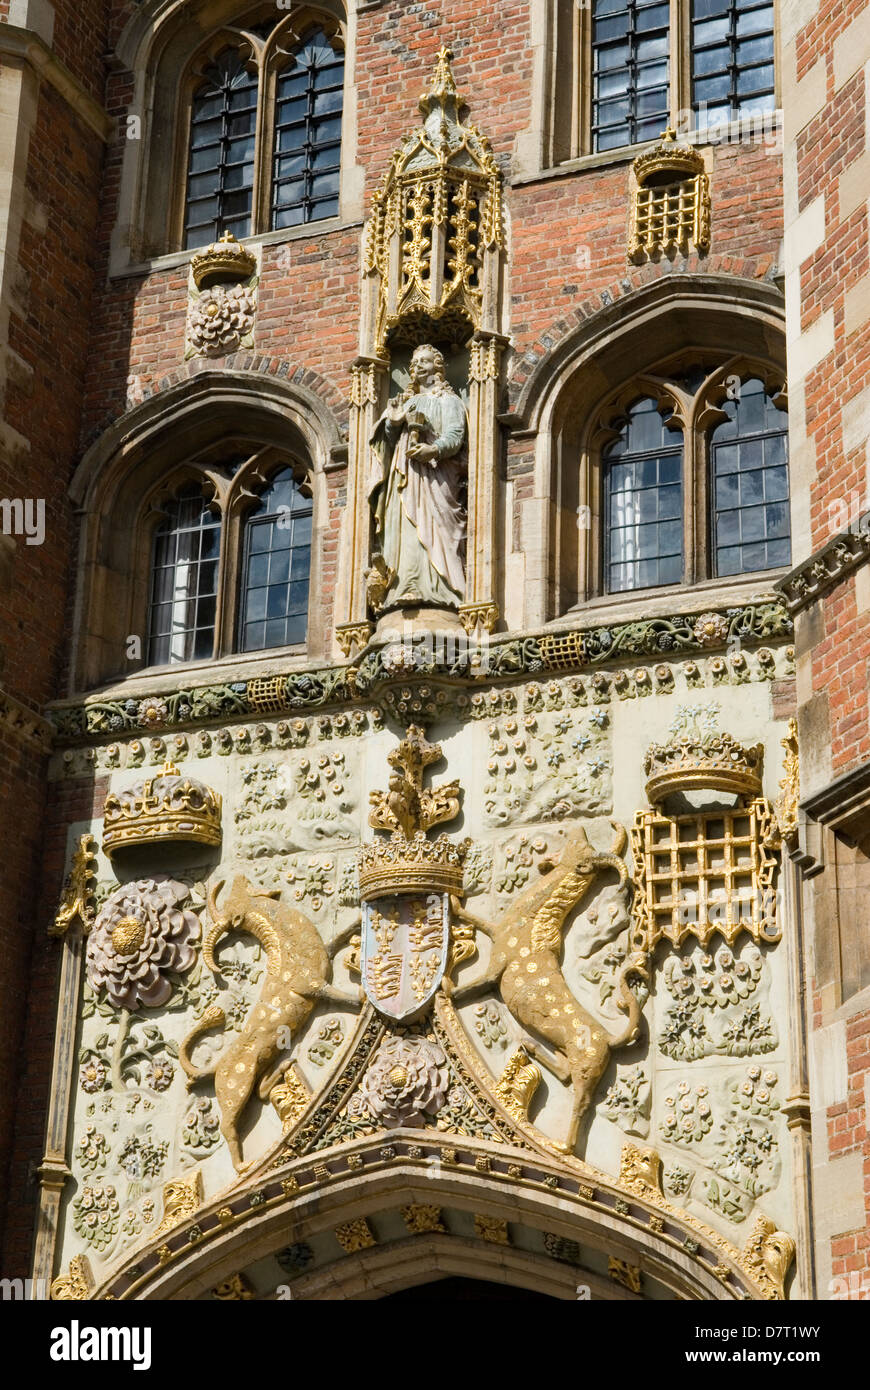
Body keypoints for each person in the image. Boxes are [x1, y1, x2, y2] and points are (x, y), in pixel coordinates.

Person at [368, 343, 467, 610]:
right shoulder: (405, 402)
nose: (419, 366)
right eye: (415, 363)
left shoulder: (449, 401)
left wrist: (433, 448)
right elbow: (387, 442)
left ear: (438, 365)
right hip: (404, 476)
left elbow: (456, 436)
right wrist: (393, 421)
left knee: (434, 526)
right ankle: (405, 585)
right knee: (404, 529)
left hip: (435, 474)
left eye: (425, 361)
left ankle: (440, 589)